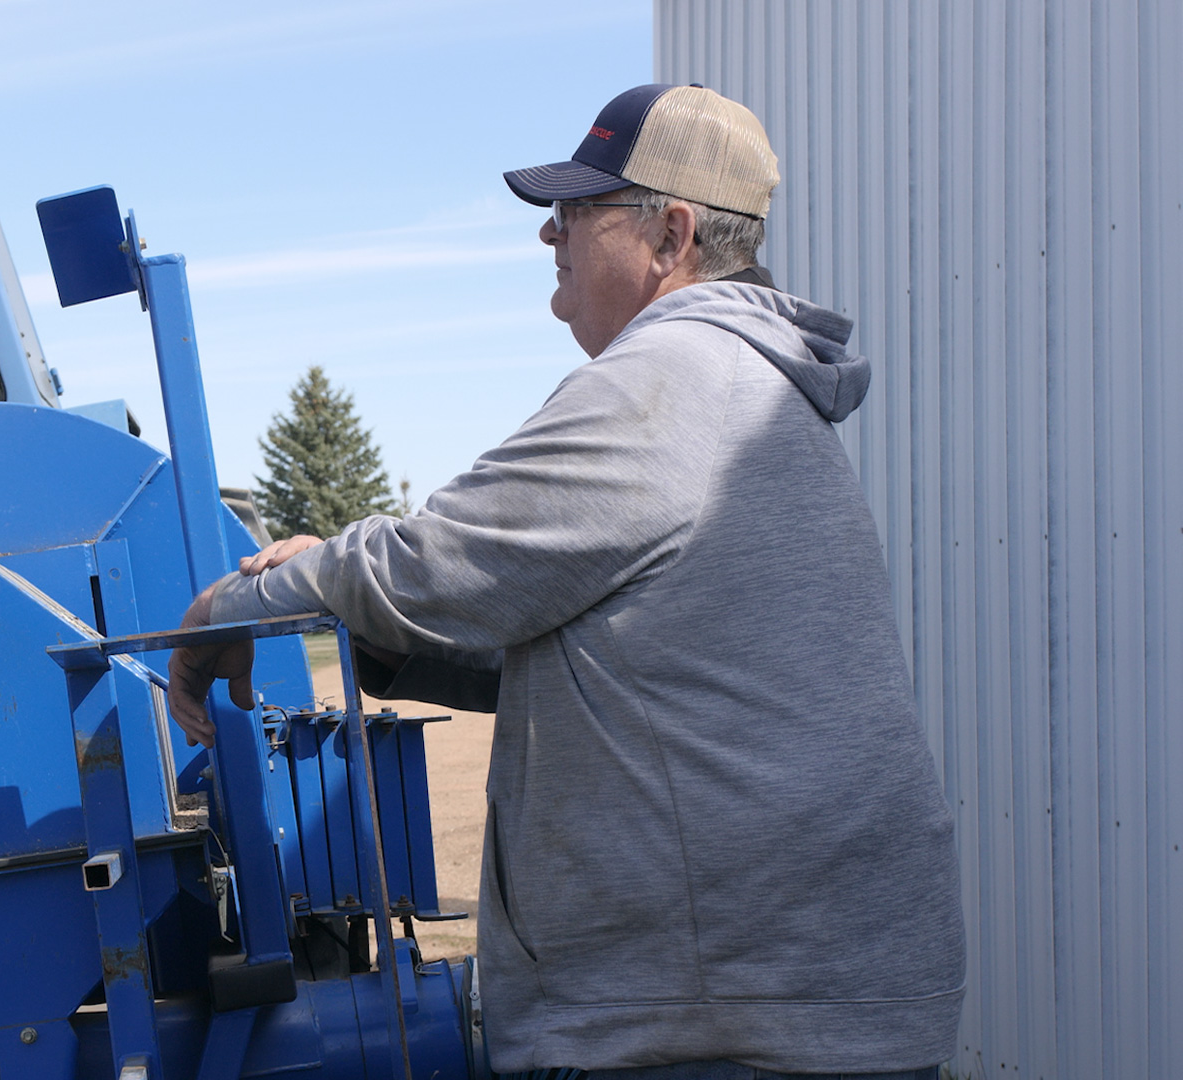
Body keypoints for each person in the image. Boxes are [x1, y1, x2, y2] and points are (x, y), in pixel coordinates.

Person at [168, 84, 965, 1080]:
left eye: (580, 211)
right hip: (790, 1002)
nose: (552, 234)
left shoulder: (670, 380)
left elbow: (426, 563)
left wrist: (218, 614)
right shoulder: (751, 390)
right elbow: (594, 661)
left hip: (723, 1030)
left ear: (672, 235)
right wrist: (376, 639)